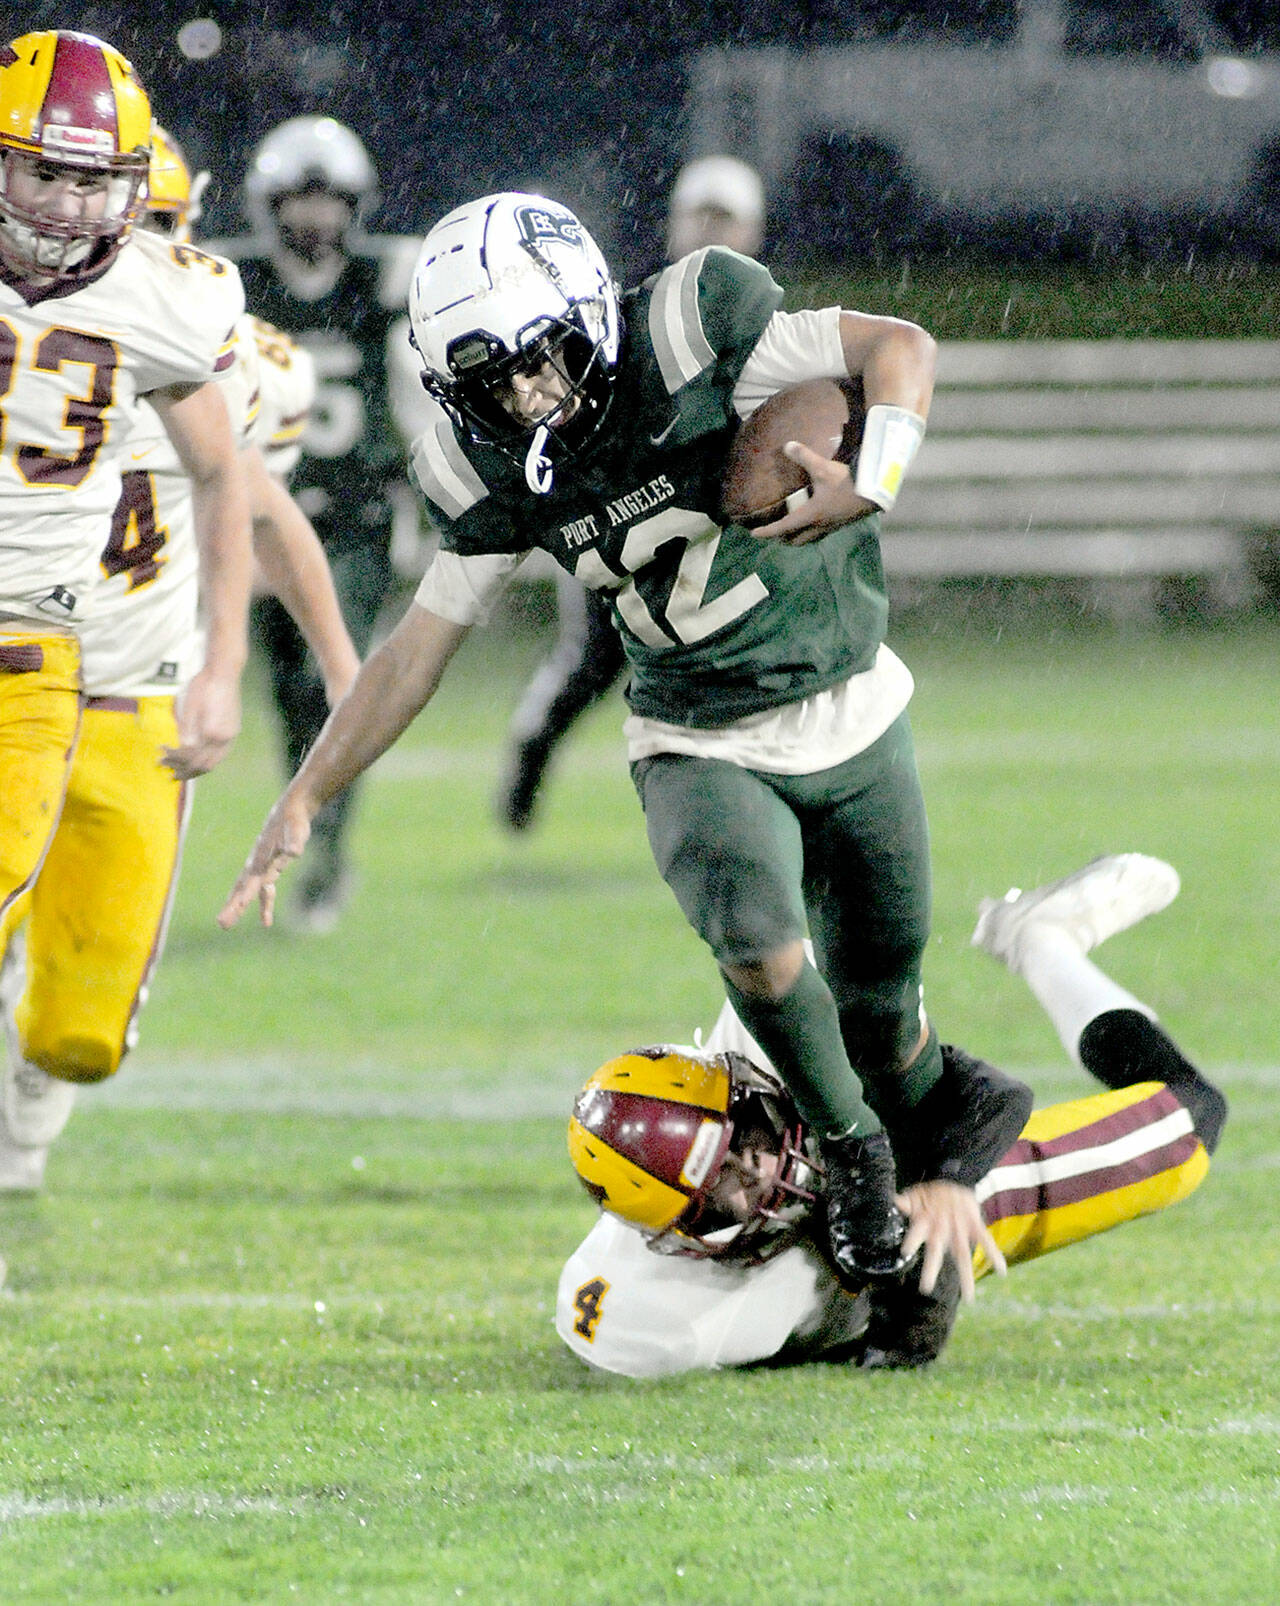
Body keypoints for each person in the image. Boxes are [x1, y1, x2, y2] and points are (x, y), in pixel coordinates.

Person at [220, 189, 981, 1287]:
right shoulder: (484, 465)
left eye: (542, 359)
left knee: (882, 1001)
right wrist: (305, 791)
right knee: (759, 950)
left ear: (589, 312)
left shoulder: (691, 324)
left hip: (847, 694)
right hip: (690, 728)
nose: (529, 397)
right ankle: (851, 1153)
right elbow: (413, 652)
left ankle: (944, 1180)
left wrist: (877, 474)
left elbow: (899, 348)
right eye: (493, 381)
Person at [0, 127, 360, 1191]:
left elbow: (268, 513)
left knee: (81, 1028)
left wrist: (340, 670)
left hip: (135, 686)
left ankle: (24, 1126)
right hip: (22, 659)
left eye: (158, 225)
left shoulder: (226, 356)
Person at [556, 854, 1227, 1376]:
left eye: (744, 1139)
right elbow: (898, 1323)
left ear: (742, 1083)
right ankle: (1046, 940)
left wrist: (948, 1179)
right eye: (719, 1190)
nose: (754, 1172)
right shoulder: (666, 1322)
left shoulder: (786, 1019)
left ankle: (1042, 942)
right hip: (904, 1222)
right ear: (675, 1236)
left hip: (929, 1178)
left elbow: (984, 1094)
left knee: (1192, 1119)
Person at [2, 32, 251, 967]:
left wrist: (222, 663)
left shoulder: (165, 298)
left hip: (26, 653)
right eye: (45, 174)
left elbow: (222, 474)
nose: (69, 207)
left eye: (92, 181)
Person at [495, 156, 766, 832]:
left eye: (725, 219)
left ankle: (745, 803)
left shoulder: (761, 311)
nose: (711, 233)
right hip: (622, 510)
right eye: (701, 217)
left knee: (737, 655)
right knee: (593, 659)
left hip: (716, 519)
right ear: (674, 225)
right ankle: (532, 749)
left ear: (753, 231)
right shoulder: (624, 308)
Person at [212, 116, 425, 932]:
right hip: (263, 521)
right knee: (292, 692)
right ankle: (312, 834)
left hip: (354, 519)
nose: (314, 217)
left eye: (329, 200)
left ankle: (325, 855)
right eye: (299, 200)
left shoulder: (384, 280)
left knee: (333, 684)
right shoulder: (235, 284)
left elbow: (418, 389)